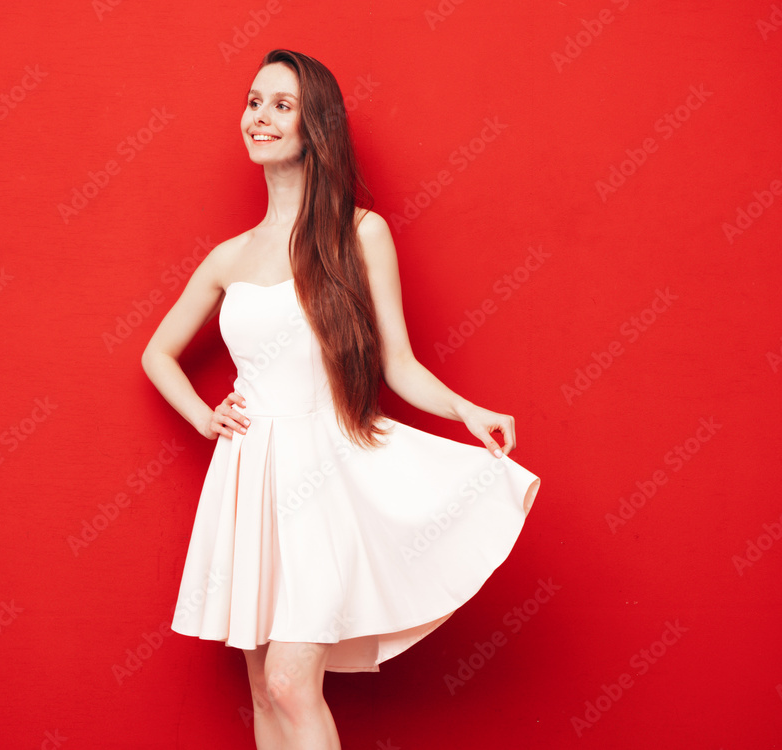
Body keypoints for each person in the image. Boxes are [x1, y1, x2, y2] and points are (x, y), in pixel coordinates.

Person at [141, 49, 540, 750]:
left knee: (295, 682)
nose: (260, 117)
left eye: (281, 105)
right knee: (265, 689)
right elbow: (155, 353)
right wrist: (206, 417)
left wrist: (467, 410)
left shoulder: (360, 233)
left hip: (322, 479)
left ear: (314, 126)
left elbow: (400, 365)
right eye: (253, 101)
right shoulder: (228, 257)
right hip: (249, 480)